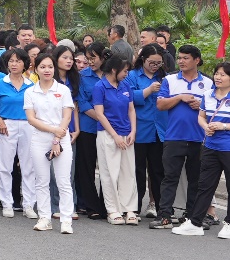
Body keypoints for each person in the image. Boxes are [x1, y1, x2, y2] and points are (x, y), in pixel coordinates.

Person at [154, 44, 212, 230]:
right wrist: (180, 97)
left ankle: (192, 217)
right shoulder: (169, 80)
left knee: (197, 180)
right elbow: (160, 105)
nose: (181, 61)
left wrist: (201, 105)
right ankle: (164, 215)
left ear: (197, 60)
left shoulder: (208, 83)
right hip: (174, 137)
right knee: (170, 177)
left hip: (199, 138)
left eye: (186, 58)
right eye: (179, 58)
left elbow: (216, 109)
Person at [174, 62, 230, 238]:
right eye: (217, 73)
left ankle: (229, 224)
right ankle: (195, 222)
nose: (218, 77)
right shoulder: (208, 95)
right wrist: (206, 127)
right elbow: (201, 117)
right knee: (204, 186)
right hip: (210, 147)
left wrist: (223, 126)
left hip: (228, 147)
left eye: (223, 74)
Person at [23, 52, 75, 234]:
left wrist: (57, 138)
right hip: (40, 138)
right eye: (43, 67)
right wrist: (53, 132)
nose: (47, 70)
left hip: (61, 137)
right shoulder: (30, 91)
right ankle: (44, 217)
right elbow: (31, 119)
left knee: (63, 181)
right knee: (42, 181)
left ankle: (66, 220)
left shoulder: (63, 90)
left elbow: (67, 116)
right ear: (36, 69)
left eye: (50, 67)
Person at [0, 47, 34, 218]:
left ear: (24, 64)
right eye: (11, 61)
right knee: (5, 166)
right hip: (7, 125)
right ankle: (7, 203)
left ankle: (28, 204)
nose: (14, 64)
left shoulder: (31, 85)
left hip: (28, 125)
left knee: (28, 166)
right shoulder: (0, 83)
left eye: (18, 61)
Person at [91, 53, 138, 224]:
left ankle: (129, 209)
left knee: (128, 172)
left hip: (126, 134)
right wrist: (115, 136)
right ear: (113, 69)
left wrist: (133, 131)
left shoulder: (126, 85)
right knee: (109, 173)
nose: (126, 74)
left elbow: (131, 109)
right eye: (124, 71)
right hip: (107, 134)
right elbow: (100, 114)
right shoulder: (100, 87)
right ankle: (112, 210)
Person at [128, 44, 166, 220]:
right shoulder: (132, 76)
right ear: (143, 59)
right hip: (140, 129)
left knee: (158, 171)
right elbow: (127, 98)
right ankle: (134, 208)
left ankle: (161, 208)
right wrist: (147, 91)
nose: (155, 66)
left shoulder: (164, 77)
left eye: (158, 63)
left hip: (159, 130)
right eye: (152, 62)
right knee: (137, 171)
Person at [75, 42, 107, 219]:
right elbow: (82, 102)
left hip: (110, 129)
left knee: (107, 167)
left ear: (103, 57)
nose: (90, 62)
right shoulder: (82, 76)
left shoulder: (112, 74)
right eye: (88, 58)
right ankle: (91, 205)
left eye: (93, 58)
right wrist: (102, 118)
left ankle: (106, 204)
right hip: (88, 126)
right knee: (86, 167)